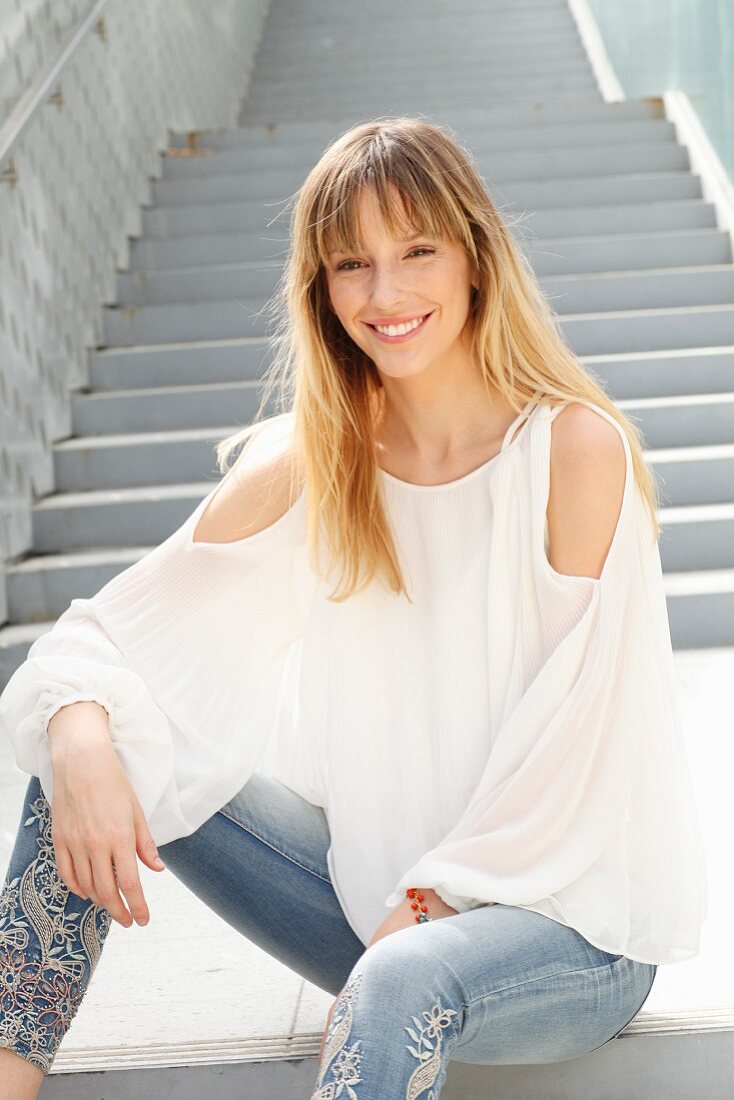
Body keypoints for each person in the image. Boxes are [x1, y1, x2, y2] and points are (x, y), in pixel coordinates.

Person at [0, 116, 706, 1099]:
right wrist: (78, 732)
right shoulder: (312, 462)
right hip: (372, 904)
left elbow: (577, 752)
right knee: (89, 743)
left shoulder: (572, 452)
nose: (385, 292)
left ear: (473, 258)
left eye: (415, 249)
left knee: (400, 973)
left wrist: (429, 903)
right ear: (321, 291)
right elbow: (99, 641)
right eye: (351, 264)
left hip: (565, 927)